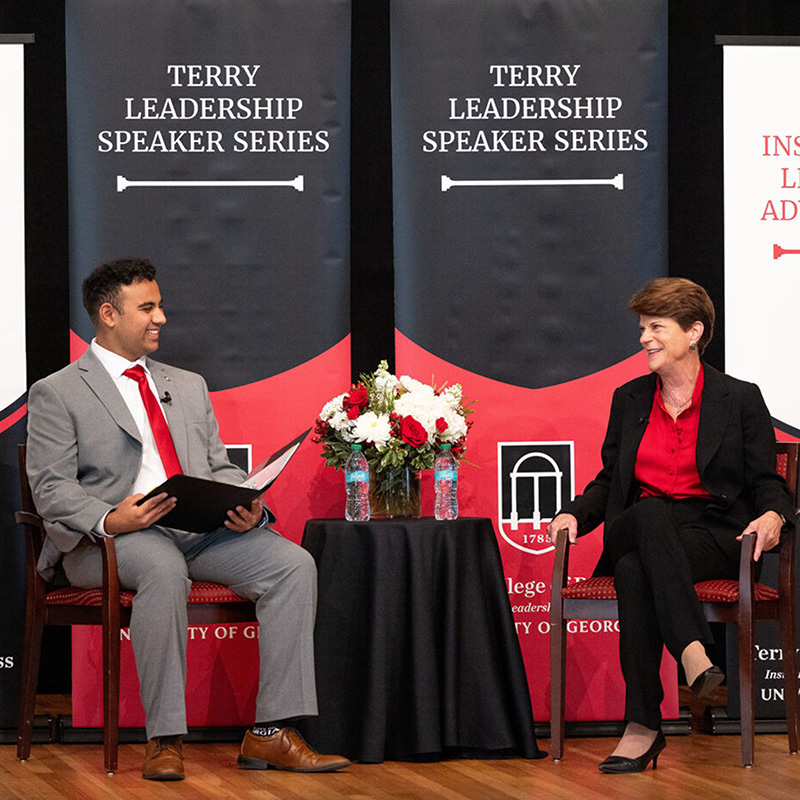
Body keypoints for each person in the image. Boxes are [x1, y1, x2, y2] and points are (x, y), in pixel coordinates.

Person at [26, 258, 350, 781]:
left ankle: (270, 733)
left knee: (292, 565)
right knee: (160, 567)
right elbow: (51, 487)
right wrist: (112, 517)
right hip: (107, 542)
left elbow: (216, 466)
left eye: (160, 305)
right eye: (148, 307)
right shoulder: (59, 391)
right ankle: (165, 738)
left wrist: (247, 505)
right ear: (108, 314)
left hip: (195, 531)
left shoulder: (188, 385)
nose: (162, 318)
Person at [547, 277, 795, 774]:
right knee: (649, 513)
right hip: (634, 522)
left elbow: (768, 481)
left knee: (637, 573)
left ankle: (641, 728)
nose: (644, 339)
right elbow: (608, 479)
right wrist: (574, 512)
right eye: (643, 328)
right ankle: (692, 650)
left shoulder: (739, 399)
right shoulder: (630, 398)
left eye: (656, 327)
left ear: (693, 331)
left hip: (711, 532)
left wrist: (773, 514)